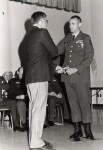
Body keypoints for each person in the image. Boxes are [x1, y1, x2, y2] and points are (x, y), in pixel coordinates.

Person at [56, 15, 95, 141]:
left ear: (80, 24)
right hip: (67, 78)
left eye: (73, 23)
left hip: (80, 77)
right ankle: (77, 130)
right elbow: (56, 51)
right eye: (69, 24)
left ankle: (88, 131)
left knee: (84, 103)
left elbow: (89, 58)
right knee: (72, 104)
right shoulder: (67, 38)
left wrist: (76, 69)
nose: (70, 26)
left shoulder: (85, 38)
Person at [25, 11, 58, 150]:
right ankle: (36, 143)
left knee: (34, 109)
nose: (47, 23)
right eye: (47, 20)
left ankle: (35, 139)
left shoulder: (29, 35)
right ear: (42, 21)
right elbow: (54, 51)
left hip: (30, 77)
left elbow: (39, 56)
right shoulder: (42, 32)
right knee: (38, 110)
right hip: (39, 77)